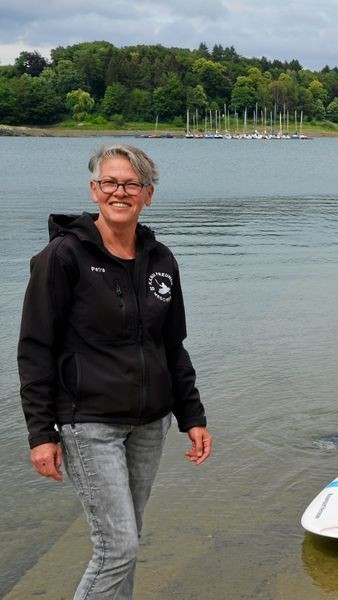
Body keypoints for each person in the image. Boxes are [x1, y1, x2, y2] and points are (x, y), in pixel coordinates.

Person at [18, 144, 212, 599]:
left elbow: (172, 344)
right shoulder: (63, 257)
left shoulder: (161, 259)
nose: (119, 192)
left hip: (150, 424)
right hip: (88, 423)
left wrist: (193, 416)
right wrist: (40, 433)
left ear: (148, 194)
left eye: (131, 184)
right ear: (94, 190)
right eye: (110, 182)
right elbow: (34, 348)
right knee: (117, 547)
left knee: (125, 540)